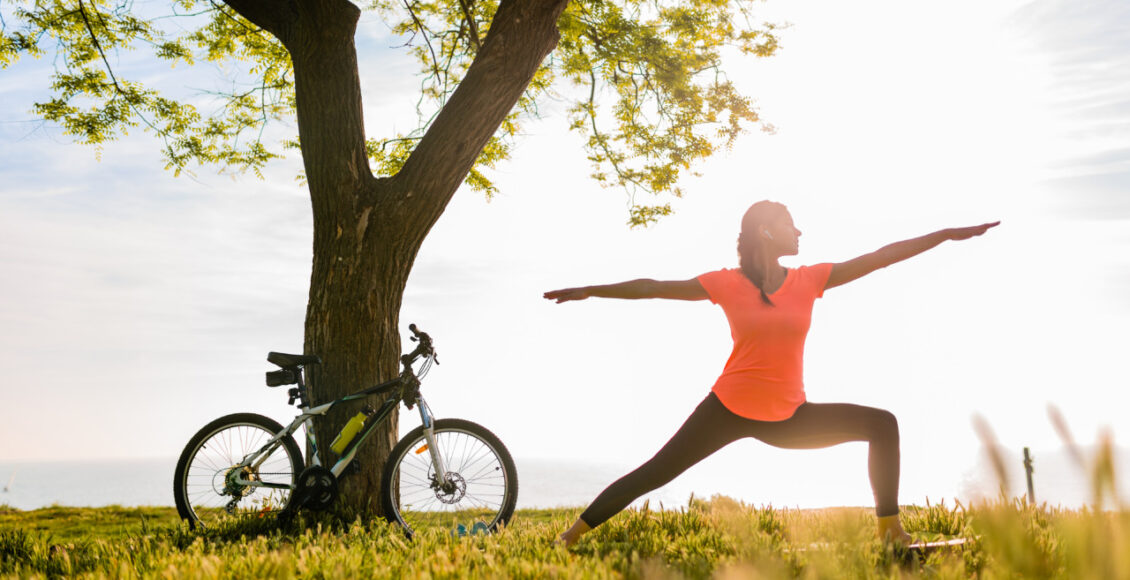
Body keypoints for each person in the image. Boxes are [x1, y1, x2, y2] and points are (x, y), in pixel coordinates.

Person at [544, 200, 999, 548]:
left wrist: (943, 235)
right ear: (765, 230)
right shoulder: (726, 283)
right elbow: (654, 288)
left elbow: (880, 257)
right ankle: (569, 538)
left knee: (882, 425)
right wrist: (591, 290)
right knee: (655, 473)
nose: (799, 230)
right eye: (789, 223)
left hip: (789, 418)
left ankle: (890, 532)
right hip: (726, 409)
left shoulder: (810, 280)